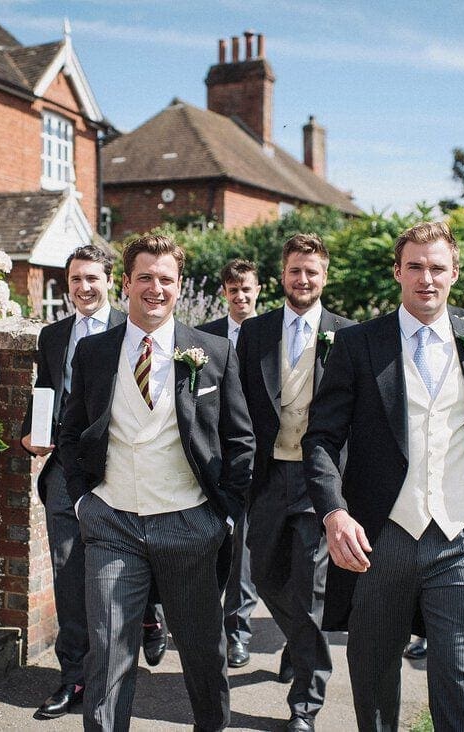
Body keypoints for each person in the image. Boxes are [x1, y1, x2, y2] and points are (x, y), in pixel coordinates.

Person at [302, 220, 464, 731]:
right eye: (417, 267)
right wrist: (335, 513)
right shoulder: (358, 345)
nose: (427, 278)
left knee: (462, 678)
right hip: (381, 538)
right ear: (398, 271)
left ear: (455, 273)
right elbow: (320, 439)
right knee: (375, 678)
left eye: (438, 268)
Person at [60, 234, 255, 732]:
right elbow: (71, 430)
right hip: (112, 523)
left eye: (166, 279)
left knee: (203, 656)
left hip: (191, 524)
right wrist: (84, 502)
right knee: (108, 655)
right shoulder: (95, 352)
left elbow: (241, 440)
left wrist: (225, 516)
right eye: (144, 277)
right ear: (125, 283)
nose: (155, 288)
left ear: (179, 285)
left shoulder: (211, 351)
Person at [19, 245, 166, 720]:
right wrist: (31, 431)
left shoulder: (132, 329)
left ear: (114, 282)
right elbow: (46, 391)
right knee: (69, 575)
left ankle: (147, 615)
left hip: (121, 471)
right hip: (65, 470)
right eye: (76, 279)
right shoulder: (53, 335)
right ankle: (73, 678)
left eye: (93, 279)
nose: (84, 288)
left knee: (135, 565)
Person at [235, 234, 354, 732]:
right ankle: (302, 643)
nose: (302, 280)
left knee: (310, 590)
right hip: (266, 475)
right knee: (264, 577)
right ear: (282, 276)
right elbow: (238, 405)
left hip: (317, 480)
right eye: (294, 271)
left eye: (312, 272)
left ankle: (305, 703)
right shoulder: (256, 332)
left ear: (324, 276)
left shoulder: (348, 335)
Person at [197, 258, 262, 669]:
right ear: (224, 293)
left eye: (247, 289)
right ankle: (198, 622)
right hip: (210, 455)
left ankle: (237, 630)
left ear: (259, 290)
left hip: (255, 455)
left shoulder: (270, 334)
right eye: (233, 290)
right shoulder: (203, 337)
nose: (240, 296)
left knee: (243, 548)